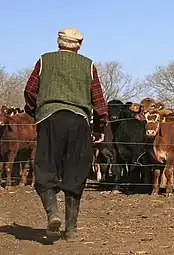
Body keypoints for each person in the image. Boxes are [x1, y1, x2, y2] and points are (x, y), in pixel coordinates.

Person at [23, 28, 109, 242]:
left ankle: (53, 214)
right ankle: (70, 230)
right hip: (78, 121)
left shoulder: (44, 60)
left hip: (50, 119)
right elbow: (98, 101)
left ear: (58, 42)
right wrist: (99, 127)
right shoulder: (88, 65)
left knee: (45, 168)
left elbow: (30, 90)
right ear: (79, 45)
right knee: (76, 172)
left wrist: (37, 112)